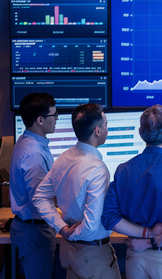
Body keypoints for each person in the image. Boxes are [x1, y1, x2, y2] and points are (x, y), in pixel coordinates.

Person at [101, 104, 162, 279]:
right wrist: (151, 241)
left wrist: (145, 235)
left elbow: (109, 218)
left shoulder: (122, 170)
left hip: (135, 258)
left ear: (140, 132)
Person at [33, 103, 120, 278]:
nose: (107, 129)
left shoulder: (63, 158)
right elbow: (91, 225)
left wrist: (62, 228)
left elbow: (39, 197)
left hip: (68, 252)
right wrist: (71, 233)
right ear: (97, 130)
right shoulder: (97, 169)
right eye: (106, 125)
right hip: (91, 254)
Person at [9, 92, 61, 279]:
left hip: (31, 228)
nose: (56, 119)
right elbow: (41, 199)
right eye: (53, 115)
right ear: (40, 120)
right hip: (36, 230)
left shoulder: (27, 142)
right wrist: (64, 225)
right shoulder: (33, 153)